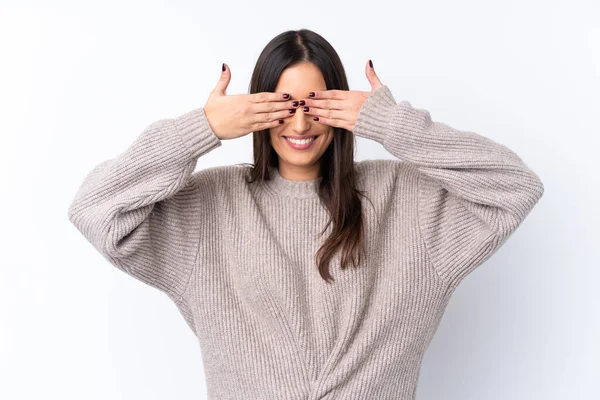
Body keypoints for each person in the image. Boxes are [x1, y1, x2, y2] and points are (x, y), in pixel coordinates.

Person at [67, 29, 544, 399]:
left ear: (343, 107)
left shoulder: (406, 200)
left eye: (316, 104)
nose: (299, 123)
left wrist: (389, 122)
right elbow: (95, 210)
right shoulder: (210, 207)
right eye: (283, 105)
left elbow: (515, 187)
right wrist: (202, 127)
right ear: (256, 109)